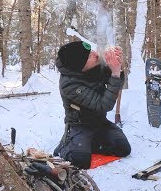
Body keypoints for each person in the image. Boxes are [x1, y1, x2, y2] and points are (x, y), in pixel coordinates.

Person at [53, 40, 131, 169]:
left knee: (123, 148)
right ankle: (66, 144)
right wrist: (115, 74)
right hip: (79, 125)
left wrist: (117, 66)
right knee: (79, 160)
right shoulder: (69, 85)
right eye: (90, 55)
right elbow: (103, 105)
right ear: (80, 65)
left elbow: (115, 82)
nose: (95, 54)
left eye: (91, 51)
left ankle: (91, 142)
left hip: (100, 122)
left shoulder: (93, 67)